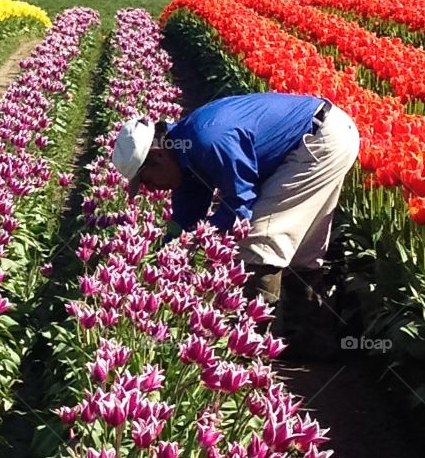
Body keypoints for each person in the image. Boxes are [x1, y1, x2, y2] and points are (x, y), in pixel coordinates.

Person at [111, 93, 359, 312]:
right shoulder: (183, 154)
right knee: (301, 249)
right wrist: (163, 258)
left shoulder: (208, 139)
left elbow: (240, 202)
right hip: (319, 134)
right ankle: (309, 328)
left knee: (260, 239)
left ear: (158, 156)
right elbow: (185, 218)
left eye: (146, 180)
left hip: (318, 140)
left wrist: (204, 236)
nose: (150, 189)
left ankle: (255, 329)